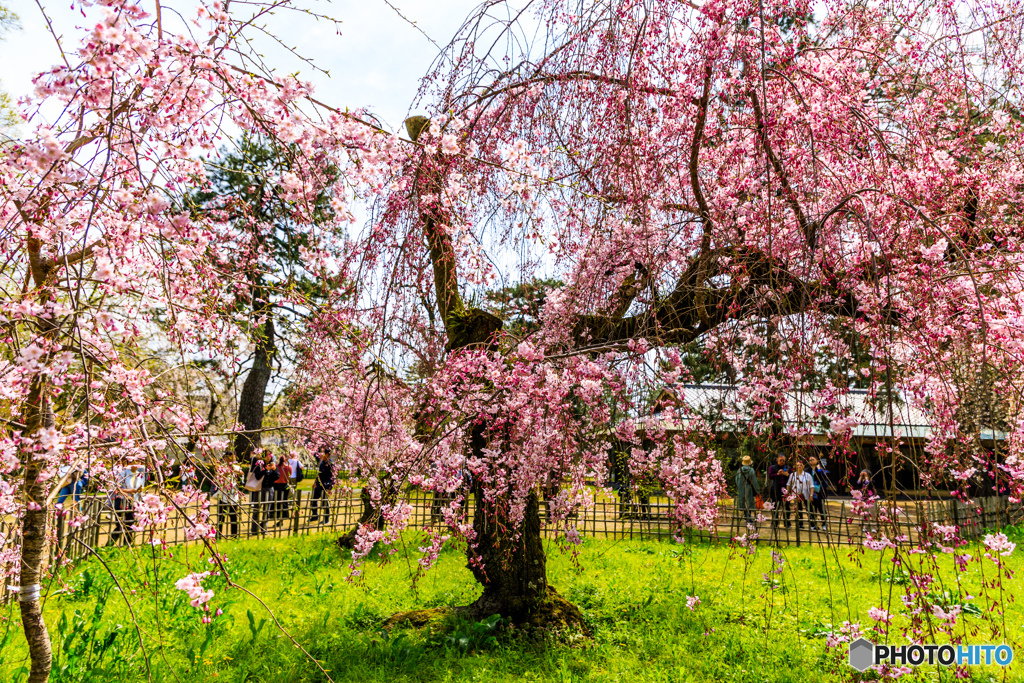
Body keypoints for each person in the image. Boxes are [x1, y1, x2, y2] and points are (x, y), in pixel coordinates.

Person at [110, 463, 146, 546]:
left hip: (132, 502)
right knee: (120, 524)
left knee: (130, 524)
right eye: (135, 462)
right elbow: (115, 488)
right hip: (121, 501)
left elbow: (142, 487)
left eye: (139, 462)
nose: (137, 464)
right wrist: (129, 491)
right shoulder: (123, 473)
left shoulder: (139, 474)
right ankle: (109, 544)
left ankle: (127, 545)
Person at [247, 450, 273, 535]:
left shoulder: (272, 464)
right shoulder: (259, 463)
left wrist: (273, 469)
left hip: (268, 488)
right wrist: (266, 470)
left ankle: (263, 529)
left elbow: (276, 476)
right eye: (267, 455)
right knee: (256, 510)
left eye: (270, 455)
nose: (269, 457)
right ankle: (254, 530)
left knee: (267, 510)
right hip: (259, 488)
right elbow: (257, 475)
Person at [309, 448, 335, 525]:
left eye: (323, 453)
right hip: (319, 485)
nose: (321, 454)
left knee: (324, 502)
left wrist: (330, 488)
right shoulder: (322, 463)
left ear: (327, 454)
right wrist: (315, 482)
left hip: (325, 485)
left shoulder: (331, 464)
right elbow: (319, 474)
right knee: (313, 500)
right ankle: (314, 516)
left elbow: (333, 477)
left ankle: (326, 519)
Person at [787, 461, 813, 530]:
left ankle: (812, 524)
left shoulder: (808, 475)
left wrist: (811, 495)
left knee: (809, 509)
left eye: (801, 465)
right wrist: (788, 493)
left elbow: (811, 486)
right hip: (796, 494)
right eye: (798, 465)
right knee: (798, 509)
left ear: (803, 466)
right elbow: (788, 484)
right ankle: (800, 524)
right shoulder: (793, 475)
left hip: (806, 494)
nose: (799, 466)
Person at [734, 455, 760, 524]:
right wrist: (757, 490)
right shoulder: (751, 470)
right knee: (749, 503)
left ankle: (746, 517)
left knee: (744, 503)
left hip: (741, 489)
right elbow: (754, 481)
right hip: (749, 489)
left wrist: (739, 487)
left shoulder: (739, 470)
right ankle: (748, 518)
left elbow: (736, 480)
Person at [767, 454, 791, 527]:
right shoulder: (773, 467)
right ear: (777, 459)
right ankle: (775, 522)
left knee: (786, 507)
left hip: (786, 489)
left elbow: (793, 477)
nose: (782, 461)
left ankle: (787, 523)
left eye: (783, 460)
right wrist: (777, 474)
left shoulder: (788, 468)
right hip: (775, 489)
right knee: (774, 507)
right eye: (780, 460)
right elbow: (770, 476)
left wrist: (788, 475)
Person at [807, 456, 831, 531]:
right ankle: (813, 525)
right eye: (810, 460)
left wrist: (819, 470)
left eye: (813, 459)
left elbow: (823, 478)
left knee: (821, 509)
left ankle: (824, 524)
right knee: (811, 509)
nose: (811, 461)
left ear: (817, 460)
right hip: (811, 492)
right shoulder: (808, 470)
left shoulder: (821, 469)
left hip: (820, 492)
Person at [273, 455, 291, 526]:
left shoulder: (276, 467)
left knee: (277, 503)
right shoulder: (288, 467)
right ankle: (283, 517)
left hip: (277, 485)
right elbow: (290, 475)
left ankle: (279, 518)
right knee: (284, 502)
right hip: (285, 485)